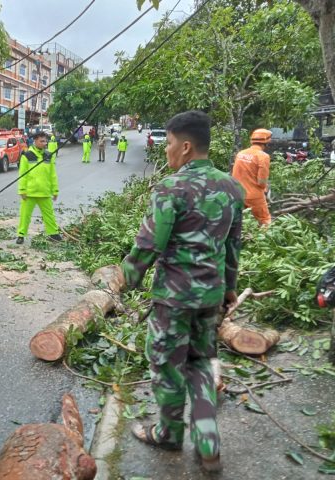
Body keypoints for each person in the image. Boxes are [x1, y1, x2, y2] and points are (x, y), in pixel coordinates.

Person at [121, 111, 244, 473]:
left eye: (170, 144)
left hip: (173, 299)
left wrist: (129, 276)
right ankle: (208, 441)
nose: (167, 152)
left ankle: (169, 433)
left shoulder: (170, 188)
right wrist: (230, 288)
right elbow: (234, 246)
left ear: (186, 146)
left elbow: (148, 244)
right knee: (202, 364)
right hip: (210, 295)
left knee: (167, 365)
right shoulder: (231, 187)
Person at [16, 131, 61, 244]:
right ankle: (21, 235)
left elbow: (52, 175)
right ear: (35, 141)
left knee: (49, 215)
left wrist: (55, 190)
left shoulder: (48, 156)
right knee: (25, 215)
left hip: (45, 192)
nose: (44, 143)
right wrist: (22, 190)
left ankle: (53, 234)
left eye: (45, 141)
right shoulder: (27, 156)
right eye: (42, 141)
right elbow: (23, 174)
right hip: (30, 193)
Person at [232, 128, 272, 226]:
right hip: (254, 196)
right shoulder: (263, 156)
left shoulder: (241, 153)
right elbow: (262, 182)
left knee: (242, 222)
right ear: (267, 142)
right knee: (265, 221)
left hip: (237, 194)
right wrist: (266, 188)